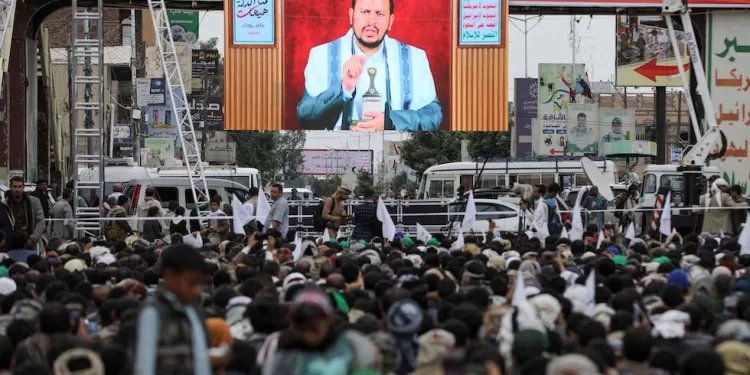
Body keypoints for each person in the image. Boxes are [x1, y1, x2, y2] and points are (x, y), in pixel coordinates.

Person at [297, 0, 443, 131]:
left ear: (391, 20)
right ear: (351, 15)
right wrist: (342, 89)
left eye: (380, 14)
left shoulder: (415, 58)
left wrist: (390, 121)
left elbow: (432, 116)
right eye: (365, 12)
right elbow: (306, 116)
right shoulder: (321, 55)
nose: (371, 21)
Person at [134, 245, 215, 374]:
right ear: (169, 275)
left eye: (200, 284)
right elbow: (144, 367)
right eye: (191, 283)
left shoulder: (195, 310)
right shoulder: (153, 312)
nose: (197, 290)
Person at [6, 176, 45, 246]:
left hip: (33, 243)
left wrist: (32, 239)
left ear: (23, 187)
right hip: (11, 244)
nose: (17, 189)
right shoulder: (5, 204)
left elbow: (41, 222)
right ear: (10, 187)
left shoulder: (34, 202)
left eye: (19, 186)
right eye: (14, 186)